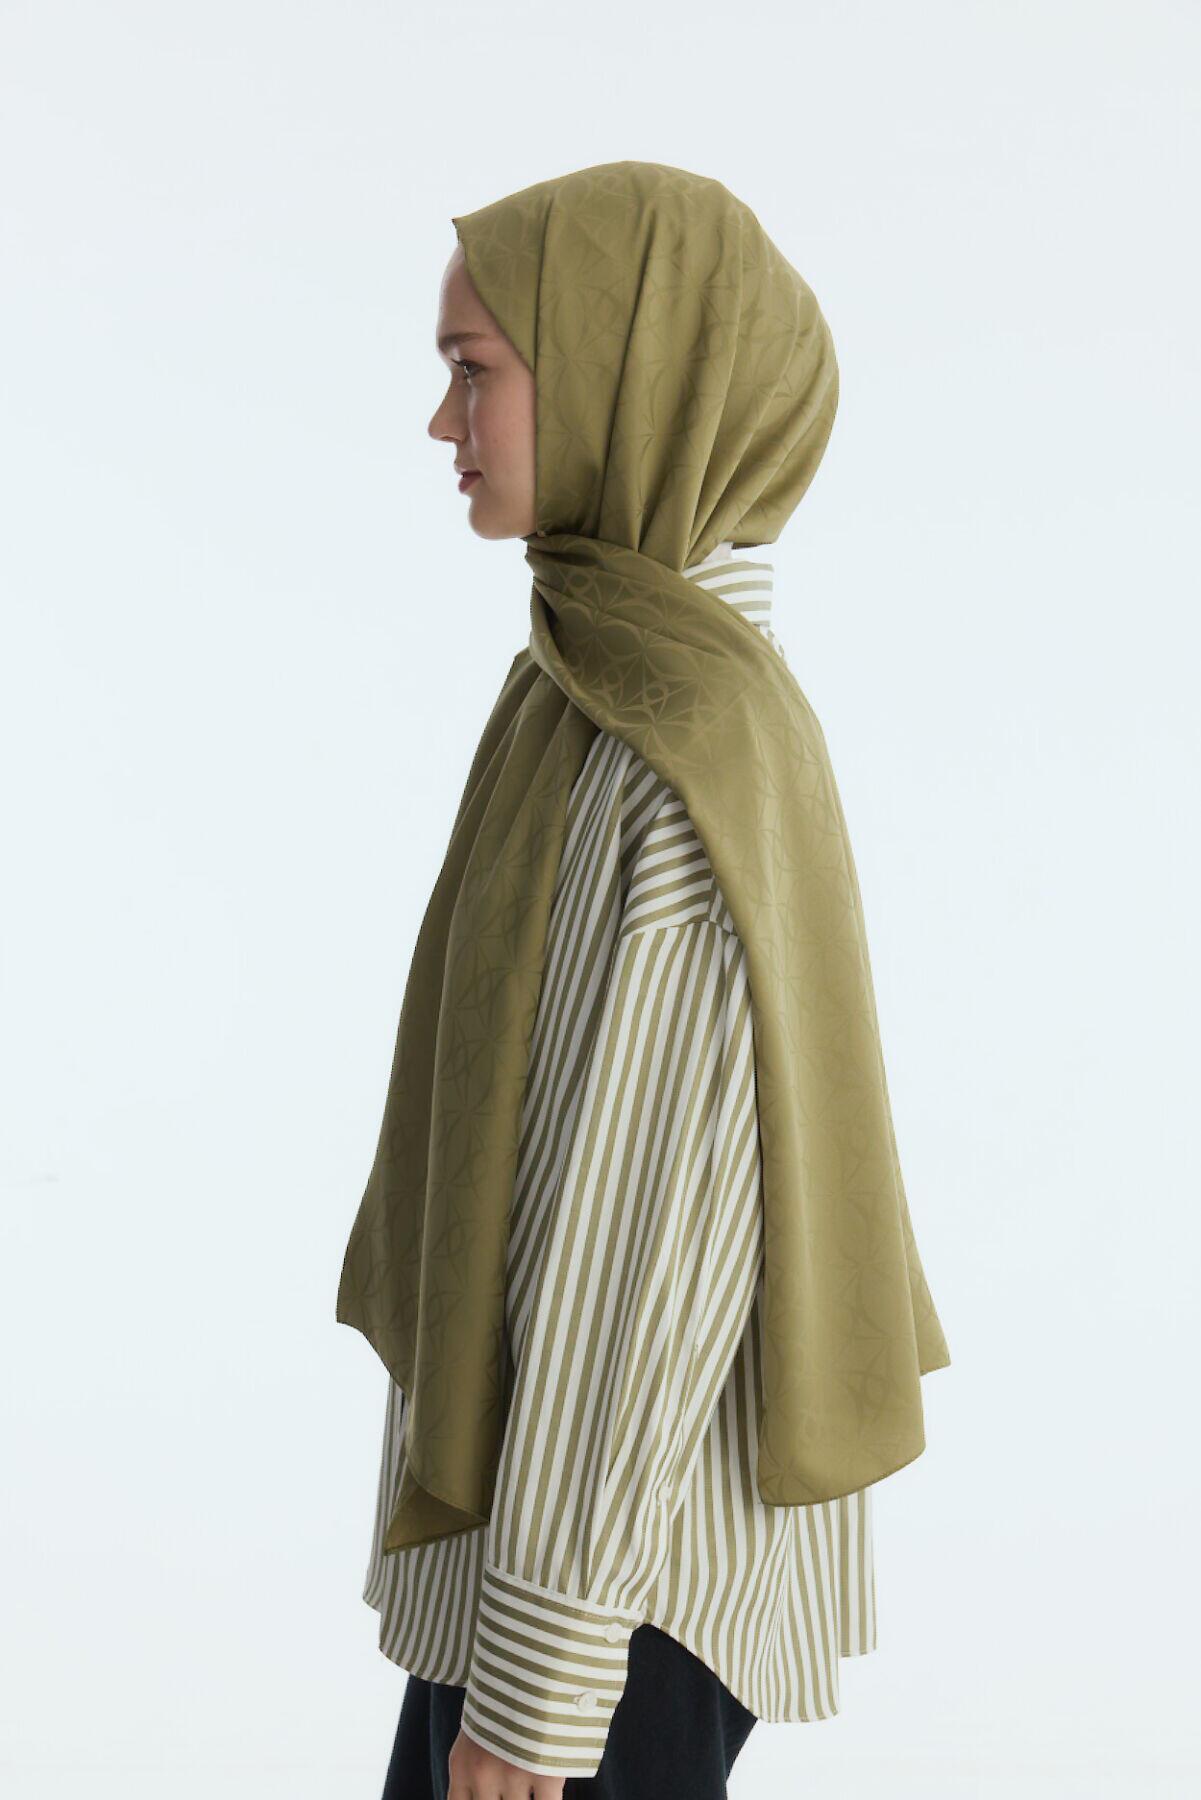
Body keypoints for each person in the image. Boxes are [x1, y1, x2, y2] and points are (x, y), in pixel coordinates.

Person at [336, 161, 949, 1800]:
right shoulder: (597, 687)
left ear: (624, 375)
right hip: (565, 1570)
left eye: (474, 369)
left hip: (607, 1613)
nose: (441, 419)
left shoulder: (677, 752)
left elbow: (643, 1254)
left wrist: (537, 1682)